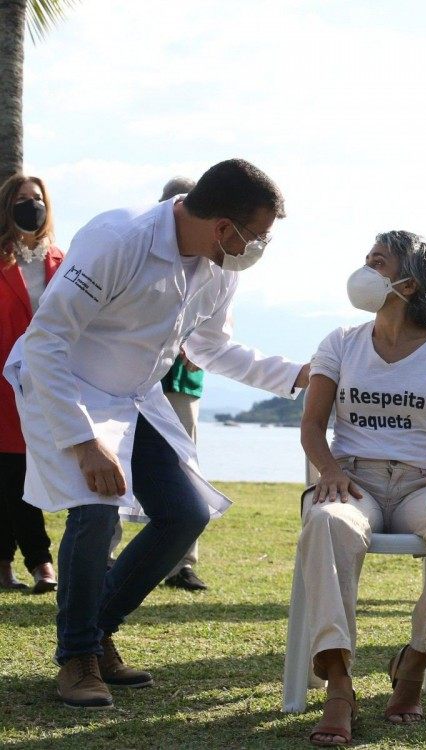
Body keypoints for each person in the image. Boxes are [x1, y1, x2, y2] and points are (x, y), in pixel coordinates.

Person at [3, 159, 310, 709]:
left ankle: (97, 634)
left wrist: (297, 376)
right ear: (223, 227)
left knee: (185, 513)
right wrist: (82, 440)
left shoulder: (220, 266)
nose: (259, 248)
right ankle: (77, 657)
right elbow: (47, 340)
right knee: (96, 507)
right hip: (65, 383)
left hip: (137, 396)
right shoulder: (118, 238)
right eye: (257, 236)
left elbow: (212, 347)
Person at [297, 230, 426, 744]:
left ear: (408, 282)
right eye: (366, 260)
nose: (365, 271)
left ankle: (414, 664)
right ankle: (339, 685)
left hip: (420, 485)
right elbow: (313, 426)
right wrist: (330, 473)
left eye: (377, 263)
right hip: (352, 478)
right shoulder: (340, 341)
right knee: (325, 522)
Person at [108, 177, 211, 591]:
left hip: (181, 382)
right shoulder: (142, 248)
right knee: (113, 465)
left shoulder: (214, 262)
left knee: (184, 469)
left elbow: (216, 327)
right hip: (123, 384)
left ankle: (181, 562)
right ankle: (105, 554)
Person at [0, 174, 61, 593]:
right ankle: (37, 563)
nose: (31, 205)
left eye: (37, 198)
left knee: (28, 472)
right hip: (3, 381)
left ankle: (31, 563)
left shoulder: (62, 260)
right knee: (8, 472)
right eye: (22, 199)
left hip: (46, 381)